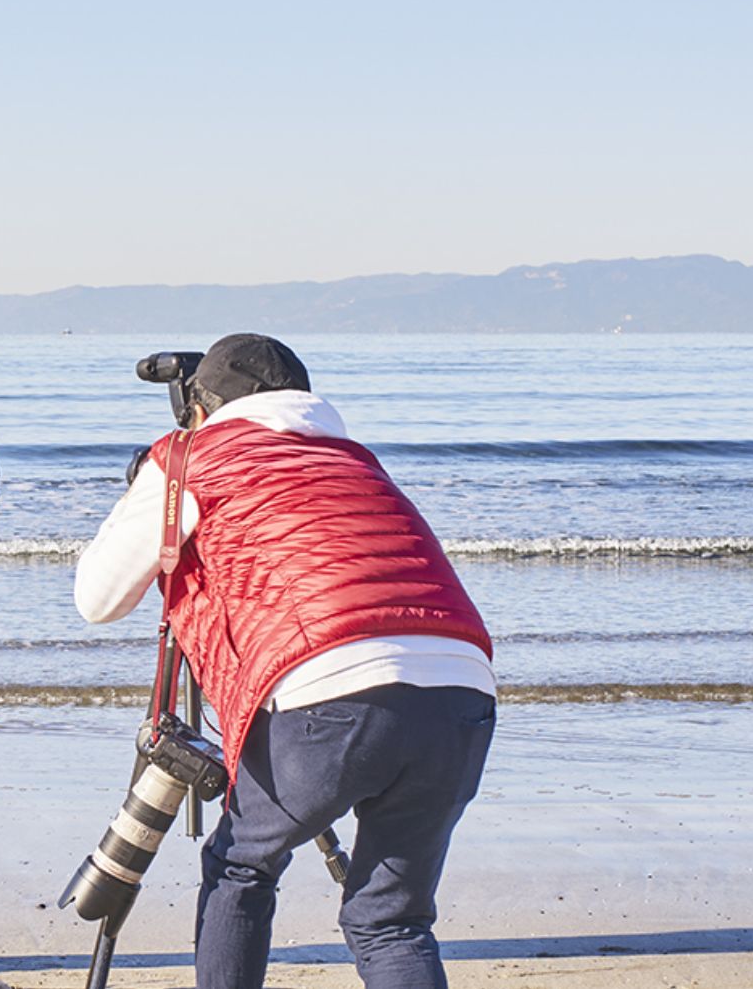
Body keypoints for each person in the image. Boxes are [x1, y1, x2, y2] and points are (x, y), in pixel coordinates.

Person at [74, 334, 495, 989]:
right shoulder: (350, 456)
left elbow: (97, 598)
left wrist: (147, 494)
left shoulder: (192, 455)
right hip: (461, 687)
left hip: (331, 688)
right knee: (390, 919)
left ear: (200, 407)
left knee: (241, 867)